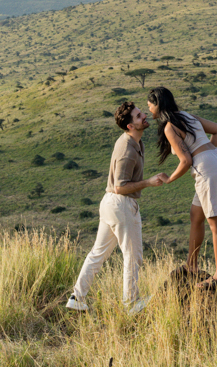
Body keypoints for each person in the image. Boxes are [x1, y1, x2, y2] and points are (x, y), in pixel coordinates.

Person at [66, 101, 169, 313]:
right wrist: (149, 182)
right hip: (121, 204)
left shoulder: (133, 141)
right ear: (131, 126)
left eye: (141, 113)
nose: (144, 116)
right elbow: (120, 186)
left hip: (109, 204)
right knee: (133, 255)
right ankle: (131, 303)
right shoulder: (127, 149)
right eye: (139, 116)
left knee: (98, 253)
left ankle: (77, 297)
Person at [146, 85, 217, 287]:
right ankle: (191, 265)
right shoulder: (187, 116)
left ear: (157, 105)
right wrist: (207, 154)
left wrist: (169, 179)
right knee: (196, 216)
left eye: (149, 105)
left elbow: (185, 161)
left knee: (216, 225)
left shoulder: (169, 126)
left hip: (208, 169)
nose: (148, 109)